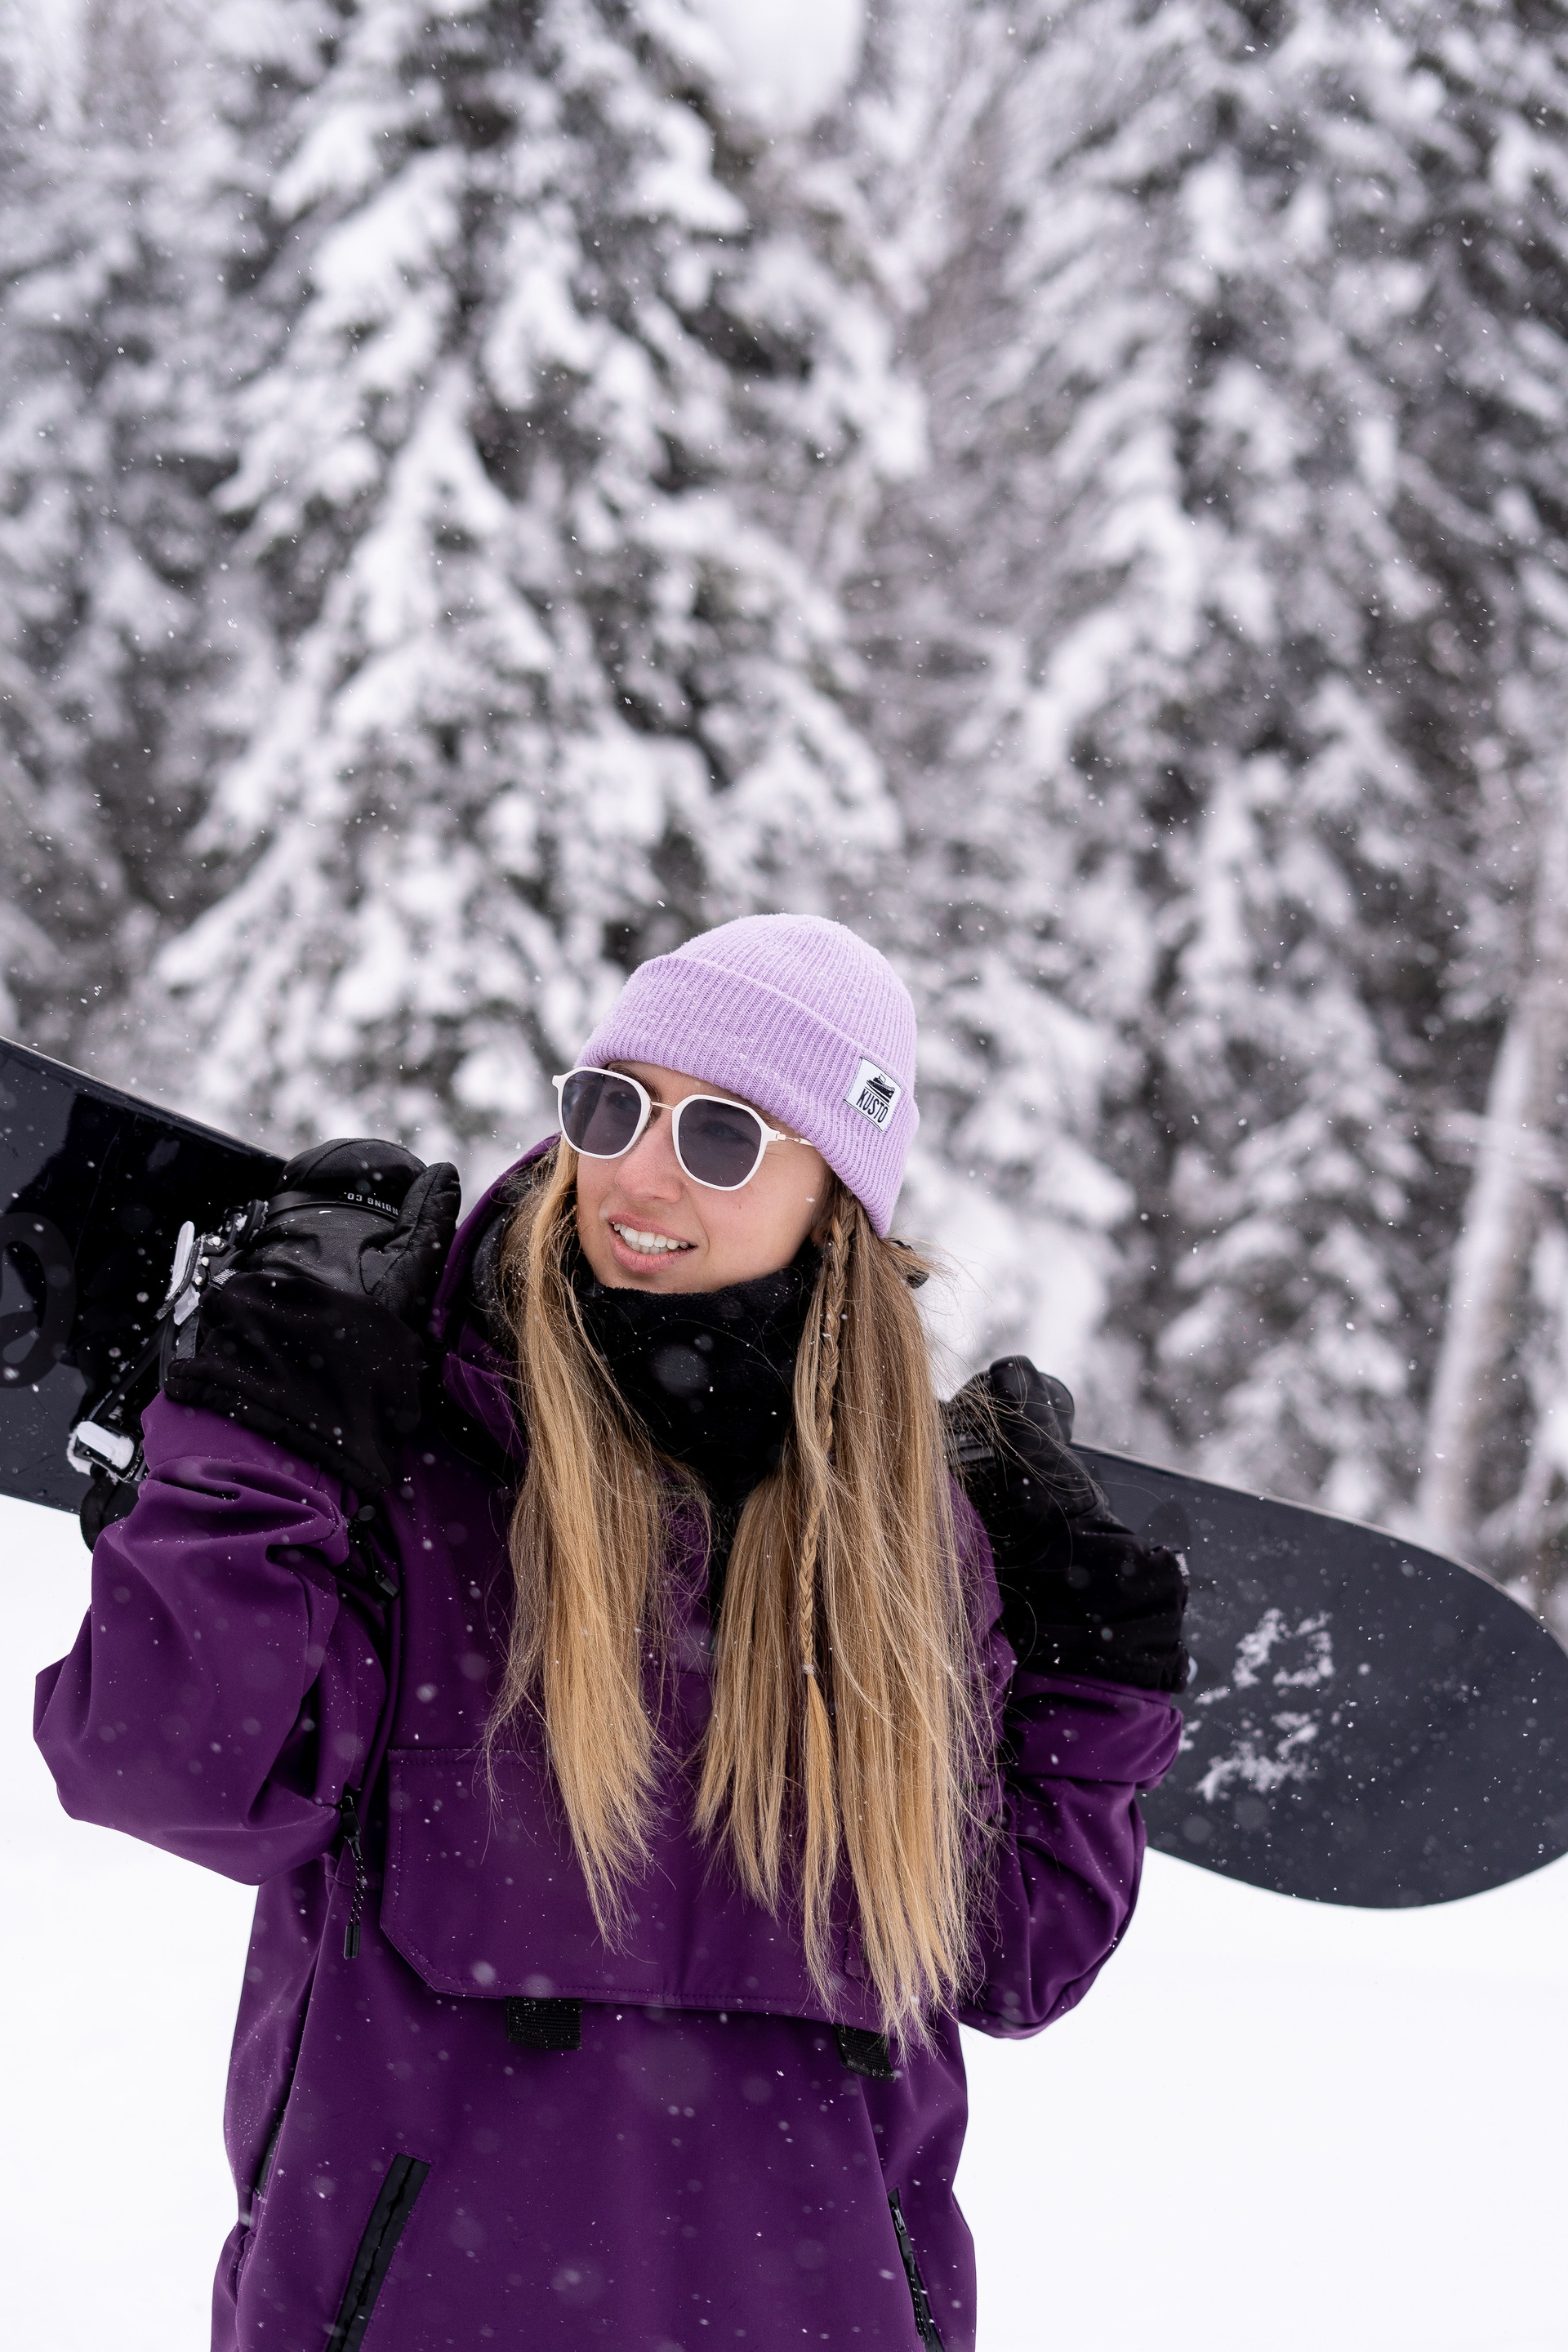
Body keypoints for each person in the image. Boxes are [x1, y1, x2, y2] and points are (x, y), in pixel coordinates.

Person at [35, 914, 1186, 2352]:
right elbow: (163, 1766)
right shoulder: (425, 1465)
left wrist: (1094, 1675)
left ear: (839, 1202)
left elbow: (1018, 1959)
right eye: (614, 1104)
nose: (642, 1169)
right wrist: (255, 1436)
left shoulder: (913, 1555)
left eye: (723, 1137)